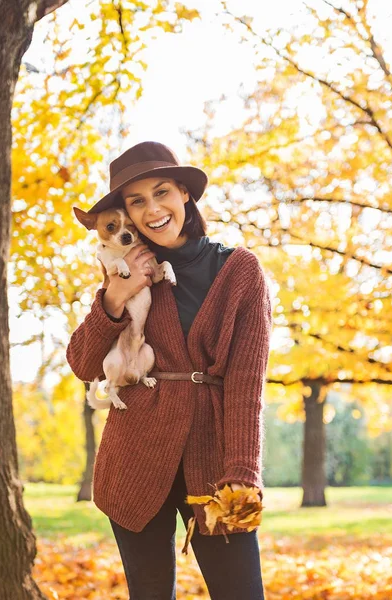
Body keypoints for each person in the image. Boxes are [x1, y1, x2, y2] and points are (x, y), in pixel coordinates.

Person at [66, 141, 273, 600]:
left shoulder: (240, 270)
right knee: (150, 593)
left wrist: (243, 469)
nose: (152, 209)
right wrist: (114, 298)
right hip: (133, 458)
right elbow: (83, 363)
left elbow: (246, 384)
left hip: (218, 458)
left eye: (161, 193)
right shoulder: (122, 270)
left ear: (184, 194)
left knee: (242, 592)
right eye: (136, 201)